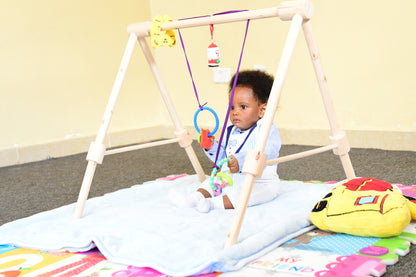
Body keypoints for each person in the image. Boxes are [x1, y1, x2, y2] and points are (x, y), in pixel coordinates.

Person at [170, 70, 281, 212]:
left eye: (243, 107)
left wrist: (240, 161)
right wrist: (211, 147)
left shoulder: (266, 129)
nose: (235, 112)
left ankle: (213, 204)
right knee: (210, 182)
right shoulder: (231, 131)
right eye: (232, 107)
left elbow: (266, 152)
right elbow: (223, 158)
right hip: (231, 177)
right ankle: (194, 198)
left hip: (259, 182)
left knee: (247, 195)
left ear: (262, 110)